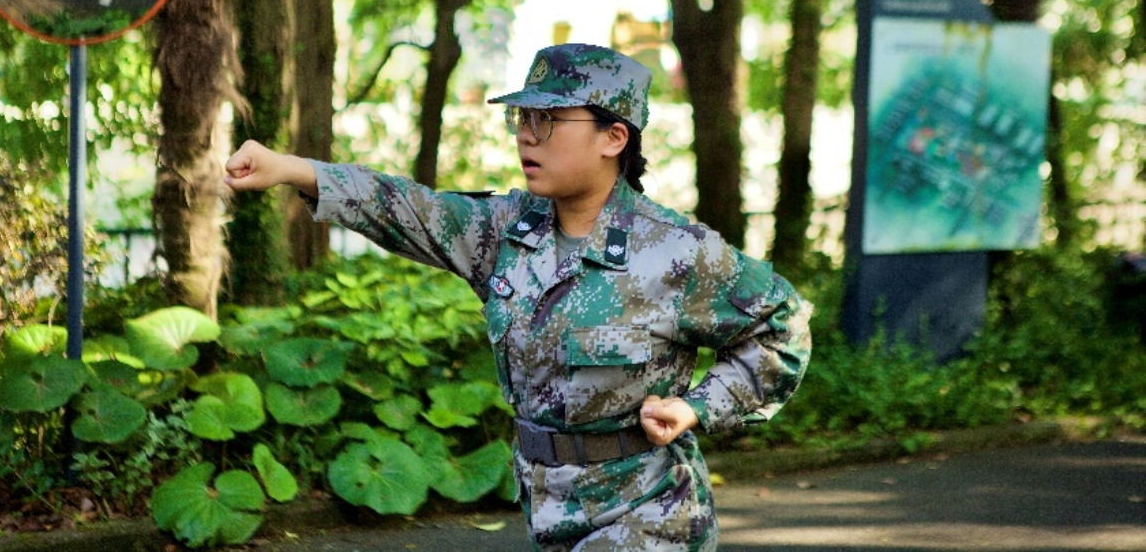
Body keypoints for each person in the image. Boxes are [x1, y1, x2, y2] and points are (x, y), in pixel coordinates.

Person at [224, 43, 813, 552]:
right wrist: (292, 169)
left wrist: (700, 406)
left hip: (648, 515)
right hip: (547, 508)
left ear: (615, 137)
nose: (527, 135)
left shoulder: (676, 252)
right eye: (524, 118)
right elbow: (406, 208)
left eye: (550, 120)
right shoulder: (505, 232)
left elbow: (782, 327)